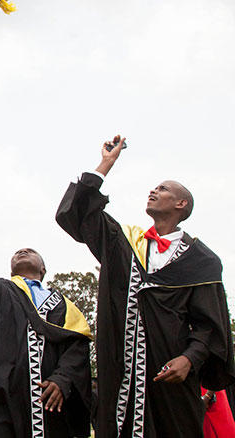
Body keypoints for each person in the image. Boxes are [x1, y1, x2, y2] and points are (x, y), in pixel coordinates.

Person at [56, 135, 235, 437]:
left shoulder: (202, 261)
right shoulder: (123, 243)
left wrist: (189, 359)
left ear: (181, 204)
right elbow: (78, 215)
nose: (153, 190)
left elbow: (209, 327)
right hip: (119, 376)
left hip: (171, 378)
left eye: (163, 188)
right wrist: (105, 165)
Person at [0, 242, 93, 438]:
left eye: (31, 251)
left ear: (43, 269)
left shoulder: (64, 305)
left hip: (49, 406)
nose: (23, 251)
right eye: (17, 252)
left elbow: (77, 346)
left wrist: (63, 378)